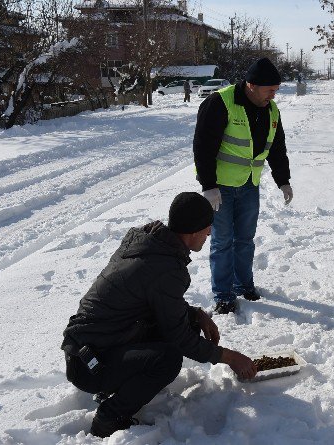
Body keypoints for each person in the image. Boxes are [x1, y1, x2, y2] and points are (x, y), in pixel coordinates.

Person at [61, 192, 257, 438]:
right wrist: (229, 357)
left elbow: (156, 300)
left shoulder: (149, 244)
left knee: (186, 324)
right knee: (169, 358)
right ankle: (108, 417)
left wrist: (195, 314)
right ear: (194, 231)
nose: (209, 235)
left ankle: (121, 384)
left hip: (90, 347)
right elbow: (179, 338)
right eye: (208, 229)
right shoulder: (165, 268)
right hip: (90, 364)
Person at [192, 57, 292, 315]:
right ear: (251, 85)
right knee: (222, 241)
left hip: (249, 184)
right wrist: (208, 185)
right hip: (220, 188)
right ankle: (223, 295)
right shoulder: (220, 102)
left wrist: (283, 180)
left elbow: (277, 148)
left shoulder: (272, 110)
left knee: (245, 240)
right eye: (270, 89)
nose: (274, 94)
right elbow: (202, 146)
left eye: (276, 90)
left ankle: (243, 284)